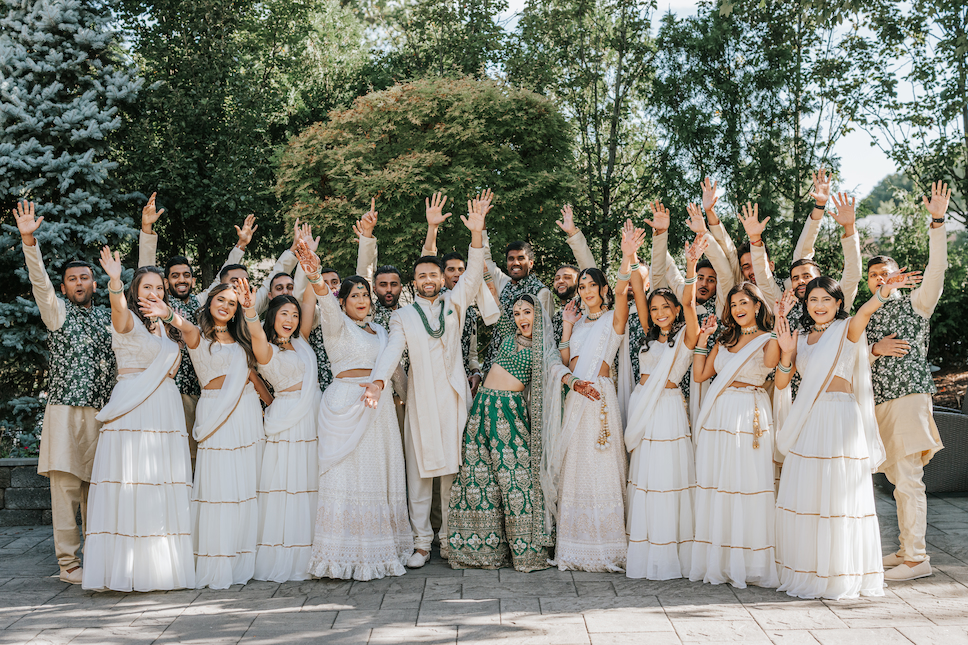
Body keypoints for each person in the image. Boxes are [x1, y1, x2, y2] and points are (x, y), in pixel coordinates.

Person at [773, 270, 919, 599]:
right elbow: (782, 384)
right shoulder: (800, 336)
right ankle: (810, 571)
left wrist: (884, 291)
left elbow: (866, 310)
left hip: (841, 418)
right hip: (810, 420)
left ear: (838, 303)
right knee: (810, 495)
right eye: (813, 299)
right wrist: (785, 352)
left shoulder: (847, 328)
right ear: (805, 304)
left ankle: (840, 572)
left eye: (826, 299)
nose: (819, 305)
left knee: (839, 497)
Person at [368, 195, 491, 569]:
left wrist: (476, 234)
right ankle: (422, 544)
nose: (427, 280)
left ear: (441, 279)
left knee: (453, 474)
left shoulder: (456, 302)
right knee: (420, 476)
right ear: (414, 282)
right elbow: (391, 351)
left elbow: (472, 275)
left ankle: (451, 542)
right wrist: (377, 381)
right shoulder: (402, 316)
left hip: (453, 400)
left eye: (433, 274)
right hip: (421, 401)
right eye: (421, 275)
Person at [447, 295, 597, 572]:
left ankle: (527, 554)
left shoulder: (543, 347)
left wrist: (575, 383)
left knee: (517, 481)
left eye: (526, 312)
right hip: (481, 410)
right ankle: (481, 554)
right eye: (516, 313)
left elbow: (556, 368)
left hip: (509, 414)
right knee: (479, 481)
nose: (521, 318)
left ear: (537, 315)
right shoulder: (507, 337)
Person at [295, 243, 412, 581]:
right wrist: (315, 274)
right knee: (346, 476)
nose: (361, 300)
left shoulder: (381, 331)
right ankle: (341, 552)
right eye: (354, 296)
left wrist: (403, 397)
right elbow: (324, 301)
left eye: (365, 294)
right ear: (343, 302)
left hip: (380, 407)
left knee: (380, 472)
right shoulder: (336, 324)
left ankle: (382, 547)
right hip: (347, 400)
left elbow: (394, 367)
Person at [14, 200, 116, 585]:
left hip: (103, 412)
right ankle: (69, 564)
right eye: (72, 279)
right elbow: (38, 281)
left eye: (84, 278)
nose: (79, 283)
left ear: (94, 282)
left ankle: (99, 556)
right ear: (64, 286)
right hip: (64, 412)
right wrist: (29, 241)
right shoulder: (57, 313)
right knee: (65, 491)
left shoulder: (109, 316)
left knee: (98, 489)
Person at [83, 253, 194, 592]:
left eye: (159, 288)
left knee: (160, 484)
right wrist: (115, 281)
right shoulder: (127, 318)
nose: (155, 292)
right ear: (134, 291)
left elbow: (191, 339)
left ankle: (160, 568)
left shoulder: (164, 325)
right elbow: (117, 308)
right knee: (132, 481)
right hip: (135, 410)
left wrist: (169, 319)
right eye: (147, 287)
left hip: (165, 409)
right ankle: (127, 568)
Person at [142, 282, 264, 589]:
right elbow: (180, 323)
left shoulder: (242, 339)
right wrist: (166, 313)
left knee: (246, 485)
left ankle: (243, 558)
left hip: (246, 410)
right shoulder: (197, 334)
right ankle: (217, 561)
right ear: (210, 302)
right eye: (220, 300)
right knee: (219, 487)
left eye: (232, 304)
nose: (226, 306)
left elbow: (254, 368)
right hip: (215, 414)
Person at [868, 181, 951, 582]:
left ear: (900, 277)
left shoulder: (917, 305)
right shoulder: (864, 313)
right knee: (898, 479)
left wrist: (937, 222)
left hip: (908, 398)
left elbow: (937, 270)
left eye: (887, 274)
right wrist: (873, 350)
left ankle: (918, 559)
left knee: (908, 479)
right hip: (877, 404)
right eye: (874, 276)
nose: (881, 279)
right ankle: (905, 550)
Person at [551, 221, 641, 572]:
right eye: (583, 285)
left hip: (600, 399)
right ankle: (575, 547)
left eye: (593, 285)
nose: (587, 290)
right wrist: (568, 327)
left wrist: (626, 256)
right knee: (576, 470)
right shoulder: (578, 323)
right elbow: (565, 364)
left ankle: (607, 547)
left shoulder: (613, 320)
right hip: (577, 396)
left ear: (603, 289)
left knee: (601, 467)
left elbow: (622, 292)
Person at [688, 281, 781, 589]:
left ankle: (750, 562)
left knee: (748, 483)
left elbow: (771, 365)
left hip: (749, 412)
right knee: (720, 483)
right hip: (719, 413)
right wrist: (703, 341)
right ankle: (720, 560)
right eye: (734, 304)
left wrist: (780, 327)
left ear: (757, 306)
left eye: (744, 303)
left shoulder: (769, 338)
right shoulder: (725, 338)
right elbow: (701, 375)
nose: (739, 309)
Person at [624, 234, 706, 580]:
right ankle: (645, 549)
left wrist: (689, 266)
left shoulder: (688, 333)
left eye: (665, 308)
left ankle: (672, 552)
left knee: (668, 478)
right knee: (645, 477)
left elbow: (689, 302)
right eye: (655, 309)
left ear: (675, 310)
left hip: (670, 409)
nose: (658, 313)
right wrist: (630, 256)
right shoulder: (646, 332)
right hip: (643, 407)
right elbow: (638, 293)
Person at [241, 279, 320, 583]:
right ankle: (286, 555)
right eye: (284, 314)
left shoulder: (301, 342)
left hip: (312, 415)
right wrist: (249, 308)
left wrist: (311, 268)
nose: (290, 320)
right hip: (287, 415)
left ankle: (316, 549)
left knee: (310, 480)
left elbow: (310, 302)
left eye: (294, 315)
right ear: (273, 316)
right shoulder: (266, 349)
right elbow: (255, 330)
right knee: (287, 485)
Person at [482, 189, 555, 371]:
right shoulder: (504, 283)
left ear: (530, 262)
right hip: (496, 359)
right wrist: (481, 222)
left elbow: (543, 337)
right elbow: (485, 258)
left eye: (520, 258)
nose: (515, 262)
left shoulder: (542, 293)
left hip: (522, 367)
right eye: (511, 259)